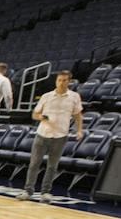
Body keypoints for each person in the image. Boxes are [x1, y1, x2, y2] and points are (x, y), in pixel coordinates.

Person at [21, 70, 84, 203]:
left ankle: (45, 192)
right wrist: (41, 117)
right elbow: (34, 114)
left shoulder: (74, 97)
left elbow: (78, 115)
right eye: (59, 80)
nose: (62, 83)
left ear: (69, 82)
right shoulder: (46, 96)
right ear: (56, 81)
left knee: (52, 166)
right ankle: (28, 190)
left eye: (65, 80)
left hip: (60, 135)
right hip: (43, 133)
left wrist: (79, 130)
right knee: (34, 164)